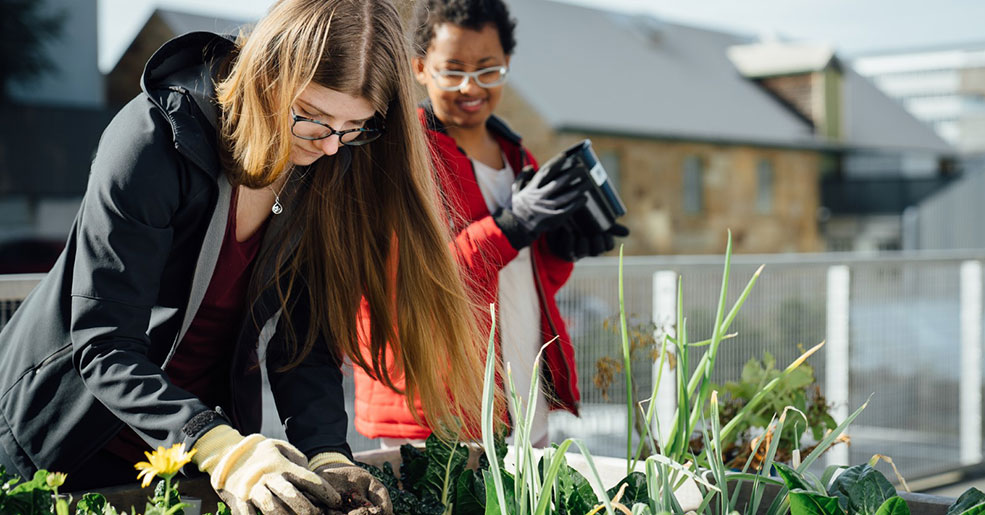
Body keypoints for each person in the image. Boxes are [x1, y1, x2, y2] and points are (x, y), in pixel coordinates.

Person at [0, 0, 491, 513]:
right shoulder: (150, 142)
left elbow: (305, 337)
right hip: (64, 444)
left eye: (353, 127)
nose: (330, 147)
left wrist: (327, 453)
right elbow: (105, 344)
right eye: (314, 118)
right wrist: (221, 448)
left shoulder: (327, 162)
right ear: (267, 73)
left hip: (201, 454)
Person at [352, 0, 628, 449]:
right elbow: (409, 287)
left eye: (487, 69)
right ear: (420, 68)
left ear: (507, 65)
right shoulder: (395, 159)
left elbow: (523, 285)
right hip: (437, 419)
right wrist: (512, 226)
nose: (470, 86)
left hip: (521, 404)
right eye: (452, 69)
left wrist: (560, 252)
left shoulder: (519, 157)